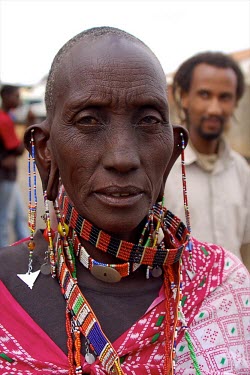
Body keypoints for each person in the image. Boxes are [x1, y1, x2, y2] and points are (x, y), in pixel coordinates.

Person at [0, 27, 249, 375]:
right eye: (88, 120)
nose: (122, 157)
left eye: (148, 120)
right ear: (45, 149)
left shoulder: (222, 286)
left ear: (174, 148)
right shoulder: (4, 290)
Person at [164, 52, 250, 263]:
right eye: (204, 95)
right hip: (179, 295)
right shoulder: (163, 168)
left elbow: (246, 247)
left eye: (224, 97)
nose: (214, 108)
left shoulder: (241, 170)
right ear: (184, 97)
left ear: (235, 102)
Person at [0, 85, 28, 247]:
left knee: (19, 216)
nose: (19, 100)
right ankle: (3, 260)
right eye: (17, 96)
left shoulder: (7, 117)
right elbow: (17, 149)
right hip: (5, 177)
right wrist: (30, 126)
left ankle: (26, 253)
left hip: (8, 176)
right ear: (6, 96)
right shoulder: (4, 119)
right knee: (4, 219)